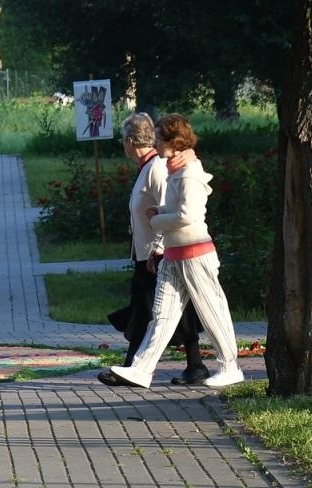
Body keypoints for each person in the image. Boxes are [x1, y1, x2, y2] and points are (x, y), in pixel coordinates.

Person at [99, 113, 243, 390]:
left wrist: (157, 220)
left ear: (172, 141)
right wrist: (163, 213)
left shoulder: (190, 173)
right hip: (175, 254)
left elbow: (189, 215)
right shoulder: (175, 170)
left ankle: (229, 366)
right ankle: (141, 369)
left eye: (158, 137)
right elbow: (176, 209)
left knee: (211, 310)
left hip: (194, 253)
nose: (153, 141)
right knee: (162, 315)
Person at [108, 112, 209, 384]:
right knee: (149, 309)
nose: (123, 144)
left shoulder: (154, 169)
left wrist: (159, 248)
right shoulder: (147, 167)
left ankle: (136, 366)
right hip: (147, 253)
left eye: (123, 140)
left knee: (156, 308)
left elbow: (169, 207)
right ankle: (191, 363)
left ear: (130, 141)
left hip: (158, 254)